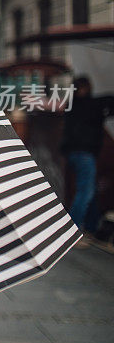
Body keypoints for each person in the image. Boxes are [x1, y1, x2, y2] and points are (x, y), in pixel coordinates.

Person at [61, 75, 114, 246]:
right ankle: (73, 232)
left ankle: (92, 228)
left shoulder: (73, 105)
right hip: (84, 154)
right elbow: (107, 103)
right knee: (86, 191)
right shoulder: (91, 105)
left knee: (89, 191)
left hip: (75, 154)